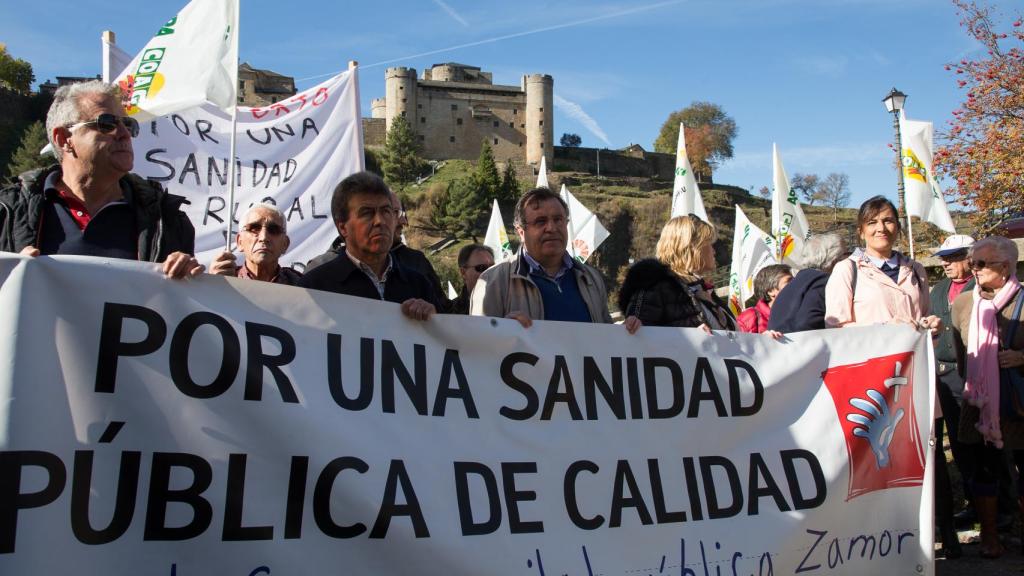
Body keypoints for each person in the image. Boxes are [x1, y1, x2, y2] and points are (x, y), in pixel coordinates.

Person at [824, 196, 955, 556]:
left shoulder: (916, 269)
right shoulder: (847, 271)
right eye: (873, 222)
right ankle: (884, 544)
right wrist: (890, 330)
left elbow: (923, 317)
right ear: (861, 230)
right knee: (883, 464)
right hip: (875, 387)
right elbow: (836, 328)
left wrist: (931, 326)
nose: (881, 228)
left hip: (915, 379)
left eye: (888, 221)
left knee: (927, 458)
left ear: (897, 226)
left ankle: (939, 535)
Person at [0, 80, 200, 279]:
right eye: (107, 123)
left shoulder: (168, 220)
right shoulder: (8, 212)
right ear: (64, 138)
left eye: (128, 124)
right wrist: (8, 277)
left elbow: (179, 297)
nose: (124, 134)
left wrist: (193, 280)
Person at [951, 235, 1024, 559]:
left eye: (982, 263)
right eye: (973, 263)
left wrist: (1021, 358)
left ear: (1005, 267)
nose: (974, 269)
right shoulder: (964, 303)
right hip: (980, 406)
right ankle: (990, 536)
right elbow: (962, 358)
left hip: (1017, 402)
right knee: (984, 470)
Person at [299, 171, 438, 321]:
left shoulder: (419, 284)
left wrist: (434, 319)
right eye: (367, 213)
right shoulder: (315, 287)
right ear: (343, 227)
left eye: (386, 211)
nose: (380, 221)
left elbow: (445, 331)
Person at [470, 187, 612, 328]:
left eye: (558, 220)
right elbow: (478, 338)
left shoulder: (591, 278)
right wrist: (499, 330)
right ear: (521, 232)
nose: (552, 228)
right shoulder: (492, 282)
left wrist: (624, 332)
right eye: (540, 221)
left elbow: (607, 335)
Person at [618, 214, 736, 332]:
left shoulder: (701, 289)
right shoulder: (653, 286)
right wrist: (690, 336)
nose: (714, 251)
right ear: (692, 246)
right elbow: (637, 335)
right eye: (709, 243)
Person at [768, 233, 847, 333]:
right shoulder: (824, 283)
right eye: (845, 255)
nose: (848, 260)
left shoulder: (794, 283)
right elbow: (808, 323)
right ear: (835, 260)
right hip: (807, 340)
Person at [208, 203, 302, 285]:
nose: (264, 238)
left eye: (274, 230)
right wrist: (211, 285)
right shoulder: (224, 279)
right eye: (254, 229)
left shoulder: (302, 284)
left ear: (285, 244)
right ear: (240, 242)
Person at [388, 192, 449, 311]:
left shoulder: (416, 261)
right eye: (395, 212)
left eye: (402, 213)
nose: (404, 222)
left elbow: (443, 309)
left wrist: (432, 310)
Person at [737, 264, 792, 333]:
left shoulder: (801, 310)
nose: (795, 284)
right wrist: (762, 338)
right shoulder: (748, 317)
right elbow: (736, 339)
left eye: (795, 281)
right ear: (770, 291)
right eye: (789, 282)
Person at [452, 244, 495, 314]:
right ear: (463, 272)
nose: (489, 272)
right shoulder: (452, 314)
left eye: (493, 267)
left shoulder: (507, 304)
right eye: (481, 268)